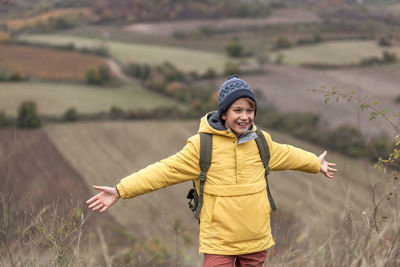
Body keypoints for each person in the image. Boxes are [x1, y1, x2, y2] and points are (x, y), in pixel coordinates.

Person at [87, 75, 337, 267]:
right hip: (219, 241)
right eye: (237, 110)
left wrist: (316, 163)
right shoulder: (201, 145)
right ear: (224, 112)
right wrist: (121, 190)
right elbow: (164, 170)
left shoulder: (262, 141)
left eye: (249, 111)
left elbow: (289, 154)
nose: (245, 117)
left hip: (256, 238)